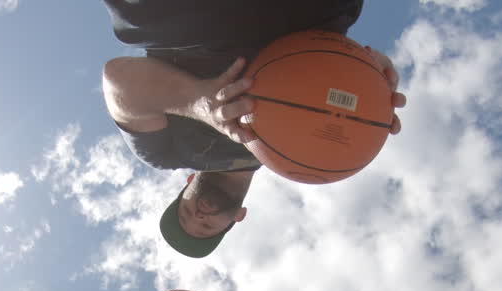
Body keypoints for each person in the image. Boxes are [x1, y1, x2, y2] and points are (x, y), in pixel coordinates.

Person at [101, 1, 407, 258]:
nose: (199, 217)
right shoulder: (299, 158)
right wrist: (366, 78)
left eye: (185, 214)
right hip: (310, 15)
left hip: (185, 18)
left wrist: (197, 100)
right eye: (206, 227)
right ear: (238, 217)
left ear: (188, 183)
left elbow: (118, 81)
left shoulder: (167, 154)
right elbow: (337, 88)